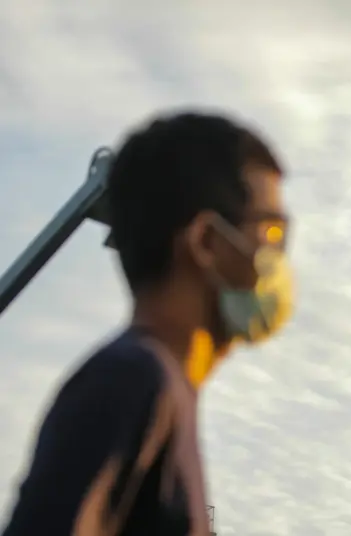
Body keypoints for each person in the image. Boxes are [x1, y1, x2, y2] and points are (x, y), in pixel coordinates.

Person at [1, 112, 294, 535]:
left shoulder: (165, 392)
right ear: (206, 242)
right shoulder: (127, 380)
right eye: (270, 233)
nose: (281, 261)